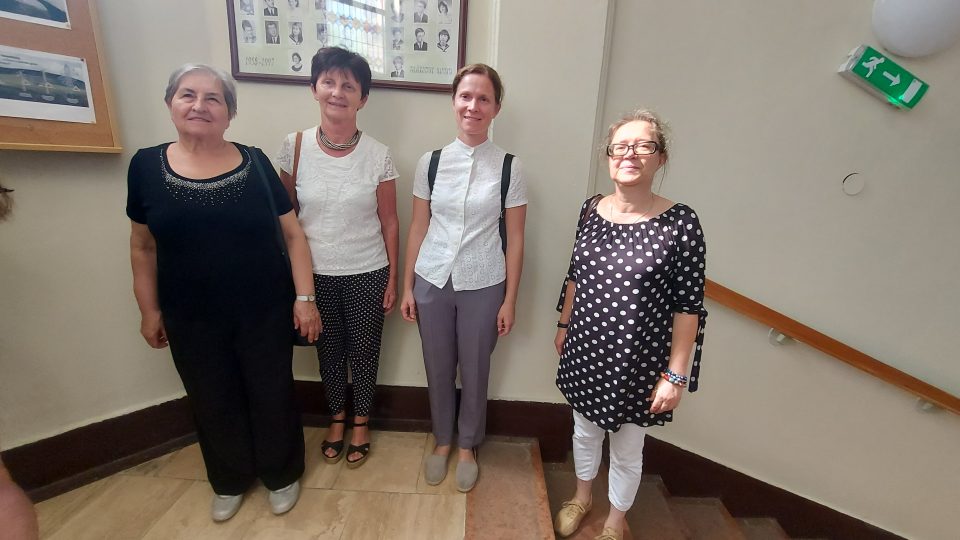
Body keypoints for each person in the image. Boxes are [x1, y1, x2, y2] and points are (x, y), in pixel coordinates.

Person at [128, 64, 320, 522]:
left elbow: (294, 235)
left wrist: (304, 300)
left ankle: (281, 473)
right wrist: (149, 310)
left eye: (213, 98)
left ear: (229, 113)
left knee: (271, 391)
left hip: (263, 309)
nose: (199, 105)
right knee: (210, 396)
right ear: (170, 103)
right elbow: (141, 246)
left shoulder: (255, 163)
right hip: (189, 314)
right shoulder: (146, 167)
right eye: (187, 95)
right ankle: (229, 479)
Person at [552, 109, 707, 540]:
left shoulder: (681, 223)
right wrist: (564, 325)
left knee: (626, 447)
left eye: (643, 146)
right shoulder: (590, 209)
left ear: (660, 158)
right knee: (584, 432)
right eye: (620, 146)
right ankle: (581, 497)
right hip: (585, 346)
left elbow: (688, 308)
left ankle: (614, 522)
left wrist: (675, 375)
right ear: (608, 156)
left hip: (639, 360)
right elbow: (575, 275)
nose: (630, 154)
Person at [400, 64, 527, 493]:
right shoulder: (431, 162)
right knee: (437, 365)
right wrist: (407, 287)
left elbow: (516, 238)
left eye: (483, 99)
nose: (473, 106)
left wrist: (510, 299)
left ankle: (468, 444)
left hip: (484, 281)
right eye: (466, 96)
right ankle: (442, 439)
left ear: (496, 108)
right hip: (432, 278)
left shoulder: (509, 167)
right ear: (454, 102)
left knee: (474, 367)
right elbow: (418, 227)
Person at [277, 47, 399, 469]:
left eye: (349, 85)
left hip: (368, 269)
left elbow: (390, 222)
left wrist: (393, 278)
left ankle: (361, 422)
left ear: (362, 98)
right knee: (327, 350)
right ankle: (336, 417)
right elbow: (286, 219)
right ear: (314, 89)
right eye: (328, 82)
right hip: (313, 274)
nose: (338, 92)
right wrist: (295, 285)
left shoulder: (379, 154)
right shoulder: (294, 147)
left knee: (364, 349)